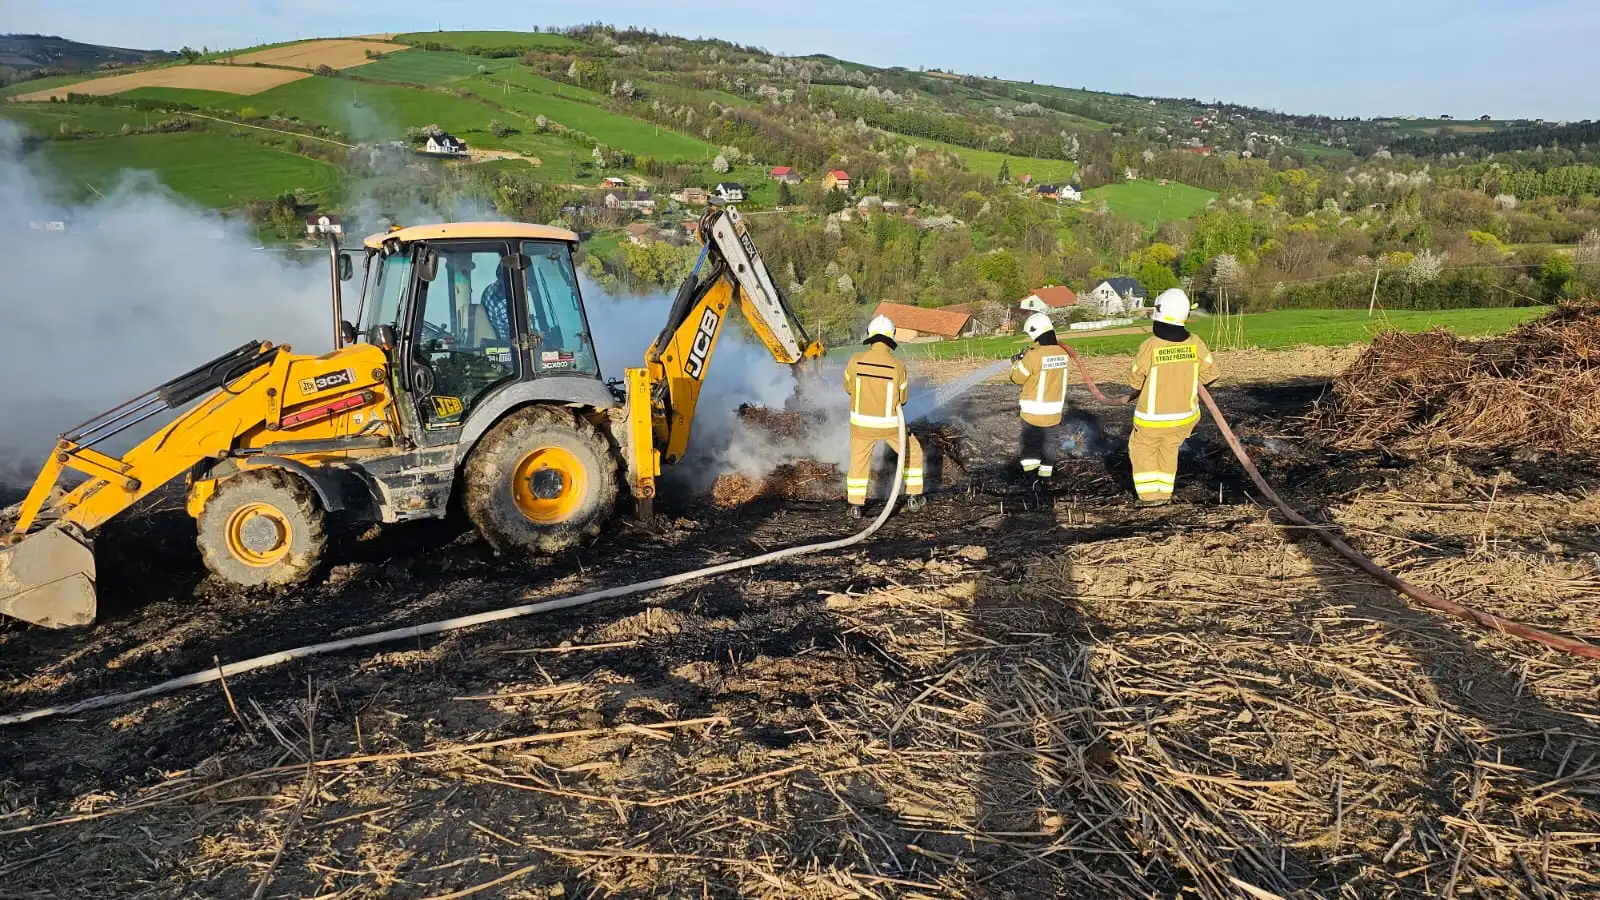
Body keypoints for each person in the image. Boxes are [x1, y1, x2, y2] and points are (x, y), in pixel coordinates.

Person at [1126, 288, 1220, 507]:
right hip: (1185, 417)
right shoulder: (1195, 342)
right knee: (1169, 449)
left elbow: (1134, 380)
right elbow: (1211, 373)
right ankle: (1165, 492)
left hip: (1152, 419)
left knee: (1143, 449)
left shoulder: (1150, 346)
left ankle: (1150, 497)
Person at [843, 315, 925, 519]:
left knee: (858, 462)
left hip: (861, 425)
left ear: (870, 336)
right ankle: (914, 496)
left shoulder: (855, 361)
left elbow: (848, 388)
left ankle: (855, 505)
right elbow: (903, 398)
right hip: (890, 425)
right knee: (913, 451)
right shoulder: (897, 365)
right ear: (891, 337)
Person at [1009, 312, 1072, 481]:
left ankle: (1030, 477)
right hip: (1054, 411)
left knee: (1031, 443)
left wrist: (1016, 363)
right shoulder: (1063, 354)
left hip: (1033, 412)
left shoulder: (1034, 355)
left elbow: (1017, 378)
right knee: (1049, 443)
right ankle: (1046, 476)